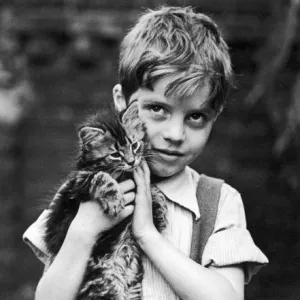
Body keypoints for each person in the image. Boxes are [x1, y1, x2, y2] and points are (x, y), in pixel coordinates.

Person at [23, 6, 268, 300]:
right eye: (157, 109)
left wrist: (149, 236)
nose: (175, 135)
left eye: (195, 116)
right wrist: (82, 232)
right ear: (122, 103)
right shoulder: (83, 194)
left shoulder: (217, 202)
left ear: (215, 116)